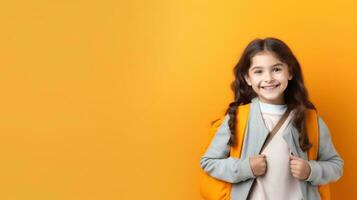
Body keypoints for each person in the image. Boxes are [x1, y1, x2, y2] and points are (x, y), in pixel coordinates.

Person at [199, 37, 344, 200]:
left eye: (276, 69)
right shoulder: (238, 118)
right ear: (248, 78)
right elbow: (208, 162)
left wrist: (311, 171)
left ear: (289, 72)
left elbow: (336, 166)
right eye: (258, 71)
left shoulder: (310, 120)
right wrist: (246, 168)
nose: (268, 78)